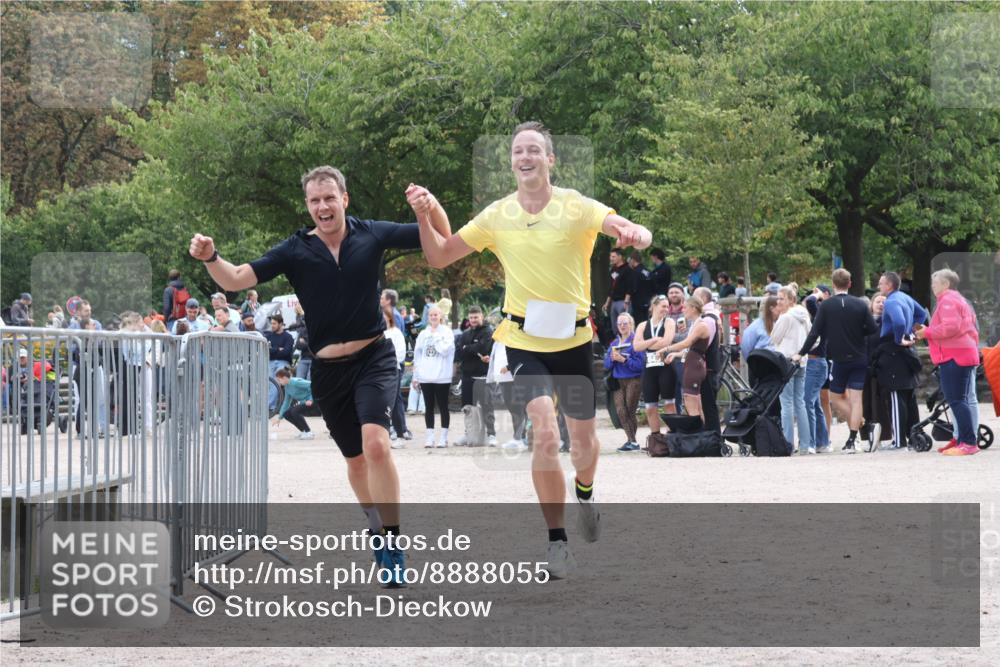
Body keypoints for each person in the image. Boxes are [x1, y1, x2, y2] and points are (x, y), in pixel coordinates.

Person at [406, 120, 652, 579]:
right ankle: (557, 543)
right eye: (518, 150)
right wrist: (425, 214)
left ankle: (585, 492)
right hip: (521, 340)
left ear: (550, 159)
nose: (525, 157)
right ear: (511, 161)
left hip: (574, 340)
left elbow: (616, 222)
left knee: (583, 444)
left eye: (534, 150)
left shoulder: (574, 206)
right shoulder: (497, 215)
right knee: (542, 427)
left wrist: (636, 231)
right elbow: (439, 255)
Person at [189, 164, 439, 587]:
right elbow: (234, 279)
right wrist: (211, 256)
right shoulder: (295, 249)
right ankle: (376, 528)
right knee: (356, 461)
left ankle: (393, 540)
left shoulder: (372, 233)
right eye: (314, 200)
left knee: (376, 444)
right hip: (327, 369)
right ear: (308, 205)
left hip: (373, 357)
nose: (323, 206)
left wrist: (428, 208)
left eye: (329, 198)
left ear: (344, 199)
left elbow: (440, 242)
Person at [793, 270, 878, 453]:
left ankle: (859, 427)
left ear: (833, 284)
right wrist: (856, 333)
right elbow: (872, 329)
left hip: (839, 358)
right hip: (859, 356)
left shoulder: (826, 306)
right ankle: (855, 434)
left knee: (835, 398)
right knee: (856, 400)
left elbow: (814, 333)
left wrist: (801, 353)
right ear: (849, 284)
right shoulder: (860, 305)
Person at [913, 269, 980, 456]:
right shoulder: (957, 299)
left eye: (935, 282)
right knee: (959, 399)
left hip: (955, 356)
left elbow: (951, 327)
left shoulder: (948, 300)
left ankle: (968, 442)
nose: (933, 286)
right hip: (961, 354)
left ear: (946, 284)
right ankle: (961, 439)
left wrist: (926, 332)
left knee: (957, 400)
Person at [873, 271, 928, 449]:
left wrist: (899, 338)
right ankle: (913, 437)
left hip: (893, 349)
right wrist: (911, 333)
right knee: (909, 396)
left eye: (881, 284)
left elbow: (898, 321)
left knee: (896, 395)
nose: (879, 287)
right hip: (907, 351)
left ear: (889, 285)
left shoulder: (892, 301)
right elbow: (922, 315)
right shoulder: (905, 297)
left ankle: (899, 442)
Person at [770, 286, 812, 453]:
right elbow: (813, 339)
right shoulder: (804, 316)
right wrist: (802, 352)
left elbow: (774, 338)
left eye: (782, 298)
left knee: (786, 404)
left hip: (786, 361)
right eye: (778, 298)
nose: (778, 301)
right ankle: (805, 445)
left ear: (791, 300)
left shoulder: (785, 317)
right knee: (799, 403)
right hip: (801, 361)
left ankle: (788, 443)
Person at [661, 297, 713, 422]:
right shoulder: (696, 324)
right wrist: (675, 354)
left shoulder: (701, 325)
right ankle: (702, 437)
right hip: (693, 363)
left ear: (694, 308)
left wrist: (666, 349)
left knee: (691, 405)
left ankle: (697, 438)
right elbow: (691, 349)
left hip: (694, 366)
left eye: (686, 307)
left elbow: (686, 343)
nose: (683, 310)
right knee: (696, 405)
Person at [633, 295, 678, 438]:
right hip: (649, 368)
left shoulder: (669, 322)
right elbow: (636, 346)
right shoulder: (642, 325)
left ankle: (673, 435)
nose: (666, 309)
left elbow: (666, 342)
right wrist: (653, 339)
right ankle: (656, 437)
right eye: (663, 306)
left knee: (669, 404)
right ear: (653, 306)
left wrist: (646, 343)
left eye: (667, 306)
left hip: (666, 367)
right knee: (650, 407)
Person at [412, 305, 455, 448]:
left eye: (436, 314)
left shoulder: (447, 332)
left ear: (441, 316)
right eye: (431, 315)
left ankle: (443, 437)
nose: (433, 317)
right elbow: (418, 355)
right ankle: (430, 437)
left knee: (443, 406)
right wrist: (416, 375)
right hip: (426, 376)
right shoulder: (423, 333)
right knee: (428, 407)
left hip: (442, 376)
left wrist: (435, 335)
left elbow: (444, 350)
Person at [603, 312, 645, 451]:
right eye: (619, 323)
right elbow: (607, 365)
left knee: (630, 410)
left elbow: (640, 365)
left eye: (625, 323)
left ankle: (632, 442)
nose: (622, 326)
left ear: (631, 324)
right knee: (621, 410)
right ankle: (632, 441)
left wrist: (624, 360)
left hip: (633, 380)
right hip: (618, 381)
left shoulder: (636, 342)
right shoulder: (614, 343)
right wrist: (612, 359)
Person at [456, 305, 497, 446]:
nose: (473, 320)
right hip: (467, 375)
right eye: (471, 317)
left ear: (482, 317)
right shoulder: (465, 334)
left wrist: (467, 348)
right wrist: (472, 350)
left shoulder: (488, 331)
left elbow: (484, 348)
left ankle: (491, 434)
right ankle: (469, 434)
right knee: (468, 407)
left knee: (487, 405)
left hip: (483, 376)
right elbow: (459, 353)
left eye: (476, 317)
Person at [486, 340, 527, 449]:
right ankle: (520, 438)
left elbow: (521, 355)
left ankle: (520, 438)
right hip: (502, 379)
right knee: (513, 409)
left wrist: (509, 367)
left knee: (518, 409)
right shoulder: (497, 342)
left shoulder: (512, 338)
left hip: (513, 378)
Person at [382, 307, 411, 448]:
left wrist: (385, 362)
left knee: (394, 402)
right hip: (377, 372)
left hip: (392, 370)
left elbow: (400, 353)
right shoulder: (377, 333)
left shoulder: (396, 333)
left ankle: (400, 433)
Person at [271, 367, 315, 440]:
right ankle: (304, 431)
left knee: (295, 411)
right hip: (305, 402)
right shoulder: (287, 387)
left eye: (279, 380)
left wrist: (310, 399)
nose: (279, 382)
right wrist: (279, 417)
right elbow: (286, 403)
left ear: (284, 378)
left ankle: (309, 432)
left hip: (315, 400)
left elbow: (312, 386)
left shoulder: (295, 382)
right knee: (286, 413)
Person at [603, 248, 634, 323]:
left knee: (624, 324)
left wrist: (626, 302)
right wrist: (607, 303)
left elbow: (630, 286)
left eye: (613, 257)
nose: (611, 259)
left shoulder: (627, 269)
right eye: (610, 256)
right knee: (615, 327)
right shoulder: (613, 269)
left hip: (623, 301)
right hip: (614, 302)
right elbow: (612, 286)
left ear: (620, 257)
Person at [627, 251, 655, 325]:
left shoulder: (634, 272)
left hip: (637, 302)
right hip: (648, 301)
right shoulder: (647, 271)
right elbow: (653, 286)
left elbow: (632, 287)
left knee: (639, 323)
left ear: (633, 260)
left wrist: (627, 300)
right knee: (648, 321)